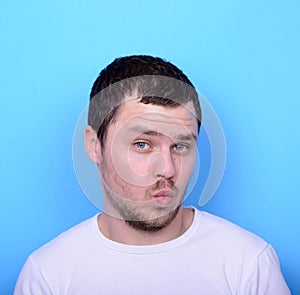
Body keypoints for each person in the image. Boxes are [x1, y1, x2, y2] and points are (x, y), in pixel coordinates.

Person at [14, 55, 290, 294]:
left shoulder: (249, 263)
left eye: (180, 146)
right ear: (94, 146)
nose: (168, 169)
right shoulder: (48, 276)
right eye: (142, 144)